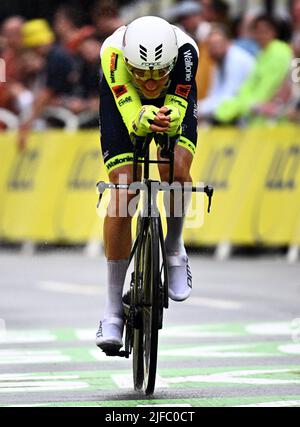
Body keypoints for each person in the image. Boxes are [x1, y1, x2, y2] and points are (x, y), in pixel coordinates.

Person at [96, 16, 199, 352]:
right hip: (123, 102)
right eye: (143, 74)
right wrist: (141, 116)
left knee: (177, 171)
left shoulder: (186, 54)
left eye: (159, 76)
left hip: (175, 104)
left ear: (170, 65)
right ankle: (112, 310)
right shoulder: (112, 54)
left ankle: (174, 245)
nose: (152, 85)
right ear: (129, 64)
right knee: (124, 190)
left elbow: (178, 109)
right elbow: (130, 111)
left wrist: (166, 114)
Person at [215, 15, 292, 124]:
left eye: (265, 31)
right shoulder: (261, 53)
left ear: (274, 32)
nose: (261, 35)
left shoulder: (279, 51)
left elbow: (268, 86)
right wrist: (247, 104)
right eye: (258, 31)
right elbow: (249, 86)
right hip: (255, 115)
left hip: (271, 120)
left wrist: (249, 105)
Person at [17, 19, 77, 150]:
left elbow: (47, 94)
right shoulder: (53, 56)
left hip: (72, 106)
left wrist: (28, 123)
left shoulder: (56, 58)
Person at [198, 25, 255, 120]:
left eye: (217, 44)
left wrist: (198, 109)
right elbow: (214, 93)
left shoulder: (237, 59)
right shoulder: (218, 62)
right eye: (210, 46)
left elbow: (229, 96)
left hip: (246, 112)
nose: (213, 49)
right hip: (231, 109)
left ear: (228, 42)